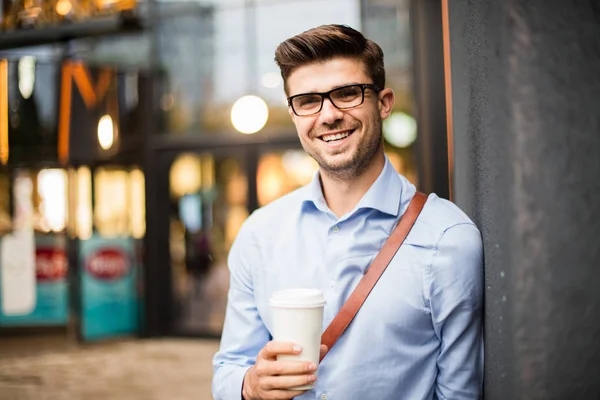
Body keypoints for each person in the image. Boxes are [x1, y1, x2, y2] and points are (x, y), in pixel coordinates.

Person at [212, 24, 483, 400]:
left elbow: (460, 394)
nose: (328, 115)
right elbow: (228, 368)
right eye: (308, 101)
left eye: (346, 94)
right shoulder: (259, 233)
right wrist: (249, 386)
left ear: (384, 102)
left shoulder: (448, 239)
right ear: (293, 114)